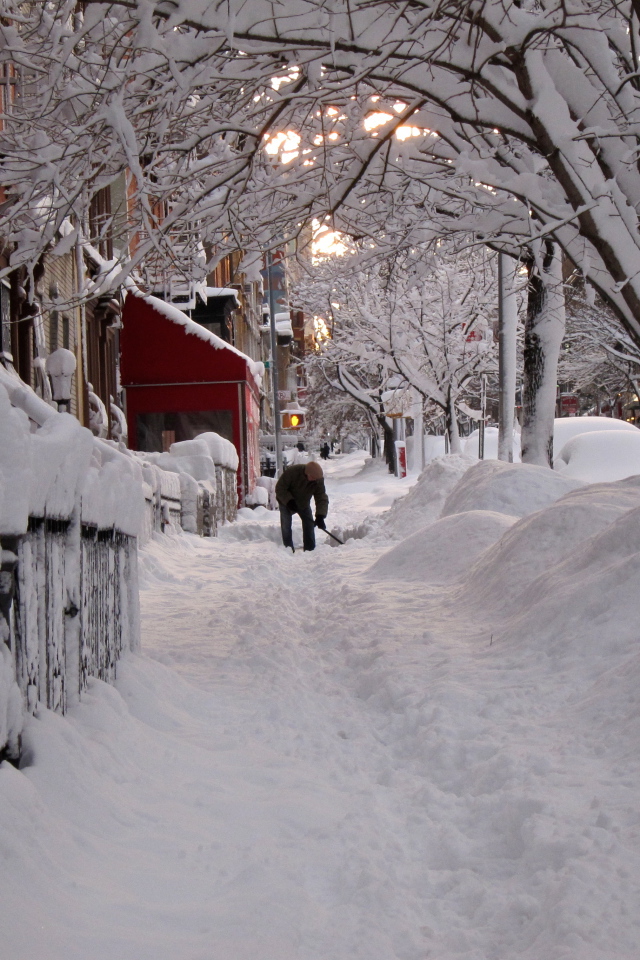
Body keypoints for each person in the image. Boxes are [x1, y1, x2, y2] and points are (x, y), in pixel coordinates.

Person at [275, 460, 329, 552]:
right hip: (286, 503)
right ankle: (288, 550)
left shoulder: (317, 480)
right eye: (312, 477)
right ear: (306, 473)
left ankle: (310, 549)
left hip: (303, 503)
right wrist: (289, 501)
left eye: (316, 479)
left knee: (309, 525)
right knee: (286, 527)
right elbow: (280, 488)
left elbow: (321, 497)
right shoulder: (293, 472)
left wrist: (320, 516)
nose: (314, 480)